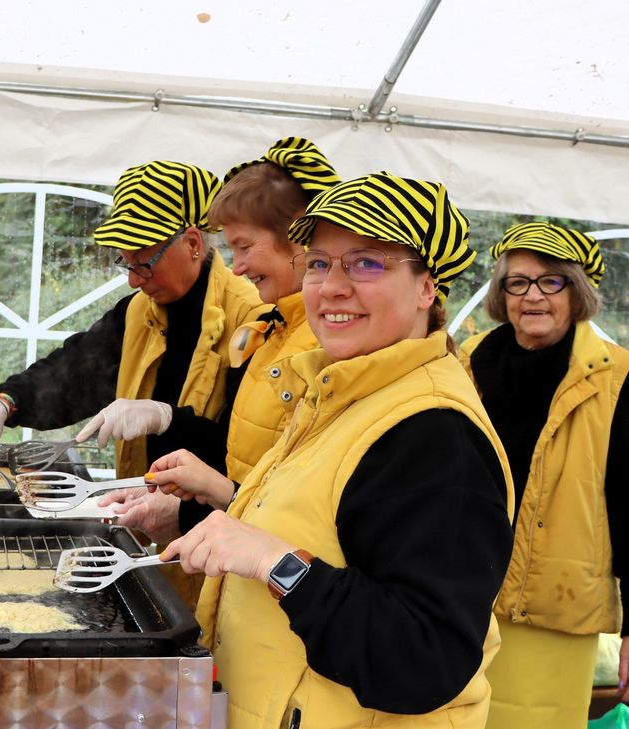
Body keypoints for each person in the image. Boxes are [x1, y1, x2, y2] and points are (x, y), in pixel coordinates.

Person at [152, 172, 515, 727]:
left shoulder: (434, 432)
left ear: (427, 287)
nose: (332, 286)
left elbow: (422, 659)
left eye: (366, 262)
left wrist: (276, 563)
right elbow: (316, 525)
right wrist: (197, 517)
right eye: (320, 262)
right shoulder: (341, 391)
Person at [0, 160, 267, 482]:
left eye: (143, 263)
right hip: (144, 508)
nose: (133, 281)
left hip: (214, 522)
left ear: (193, 243)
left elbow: (248, 453)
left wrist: (167, 419)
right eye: (125, 263)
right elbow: (72, 374)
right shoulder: (138, 311)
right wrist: (3, 404)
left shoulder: (253, 319)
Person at [101, 137, 335, 552]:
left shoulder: (326, 341)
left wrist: (194, 506)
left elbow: (308, 504)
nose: (239, 265)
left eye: (245, 247)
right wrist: (184, 458)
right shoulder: (271, 328)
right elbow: (240, 450)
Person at [457, 221, 629, 727]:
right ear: (501, 293)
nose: (532, 296)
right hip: (466, 597)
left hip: (556, 611)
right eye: (517, 282)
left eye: (550, 281)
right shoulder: (468, 365)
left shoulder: (615, 378)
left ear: (576, 293)